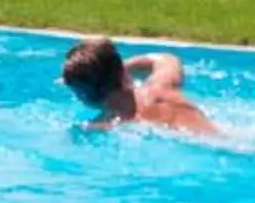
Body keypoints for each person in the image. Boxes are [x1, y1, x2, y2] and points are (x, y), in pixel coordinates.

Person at [61, 36, 217, 135]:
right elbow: (165, 58)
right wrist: (115, 69)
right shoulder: (160, 88)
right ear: (122, 71)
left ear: (83, 94)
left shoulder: (105, 125)